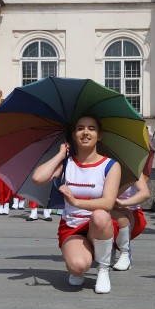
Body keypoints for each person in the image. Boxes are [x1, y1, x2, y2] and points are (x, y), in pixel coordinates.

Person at [32, 115, 121, 294]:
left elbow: (108, 203)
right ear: (73, 135)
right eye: (80, 128)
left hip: (98, 226)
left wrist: (75, 201)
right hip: (72, 226)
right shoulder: (67, 163)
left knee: (100, 215)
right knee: (78, 267)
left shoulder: (110, 165)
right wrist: (60, 155)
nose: (86, 132)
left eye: (91, 128)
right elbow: (38, 178)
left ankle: (103, 268)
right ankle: (84, 257)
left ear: (99, 135)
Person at [111, 174, 150, 271]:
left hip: (132, 215)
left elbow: (145, 193)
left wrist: (124, 203)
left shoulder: (132, 171)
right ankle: (110, 250)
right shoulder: (102, 167)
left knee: (117, 216)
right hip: (108, 211)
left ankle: (125, 253)